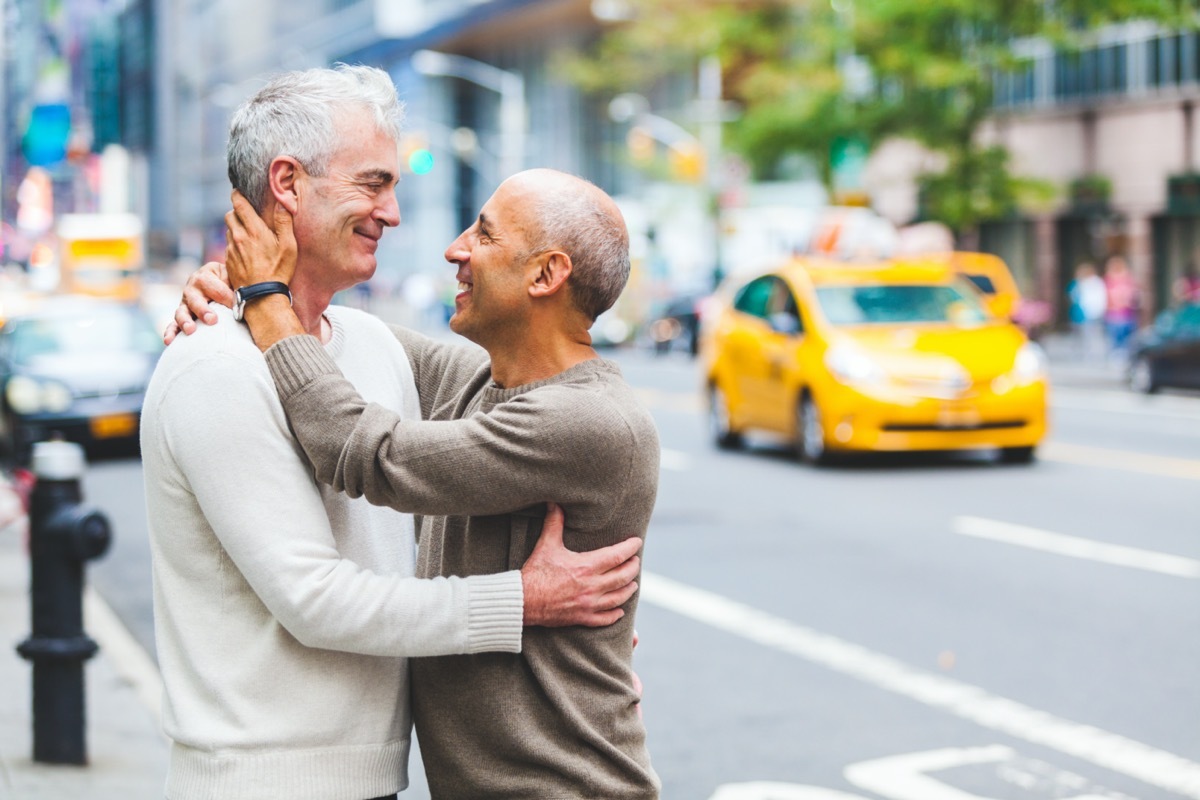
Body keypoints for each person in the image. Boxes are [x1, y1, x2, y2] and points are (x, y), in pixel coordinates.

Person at [144, 66, 642, 800]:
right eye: (374, 183)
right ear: (287, 183)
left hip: (378, 779)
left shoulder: (369, 348)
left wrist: (577, 655)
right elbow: (316, 596)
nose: (399, 215)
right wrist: (522, 604)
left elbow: (383, 469)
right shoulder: (214, 368)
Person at [1067, 261, 1106, 362]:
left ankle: (1092, 353)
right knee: (1079, 333)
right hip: (1079, 313)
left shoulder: (1095, 283)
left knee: (1091, 333)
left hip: (1091, 313)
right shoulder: (1077, 283)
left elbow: (1098, 299)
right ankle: (1080, 352)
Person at [1102, 254, 1139, 358]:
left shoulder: (1128, 279)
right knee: (1115, 336)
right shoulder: (1108, 280)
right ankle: (1116, 354)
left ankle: (1125, 355)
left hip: (1126, 313)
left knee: (1127, 337)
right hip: (1113, 313)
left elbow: (1132, 294)